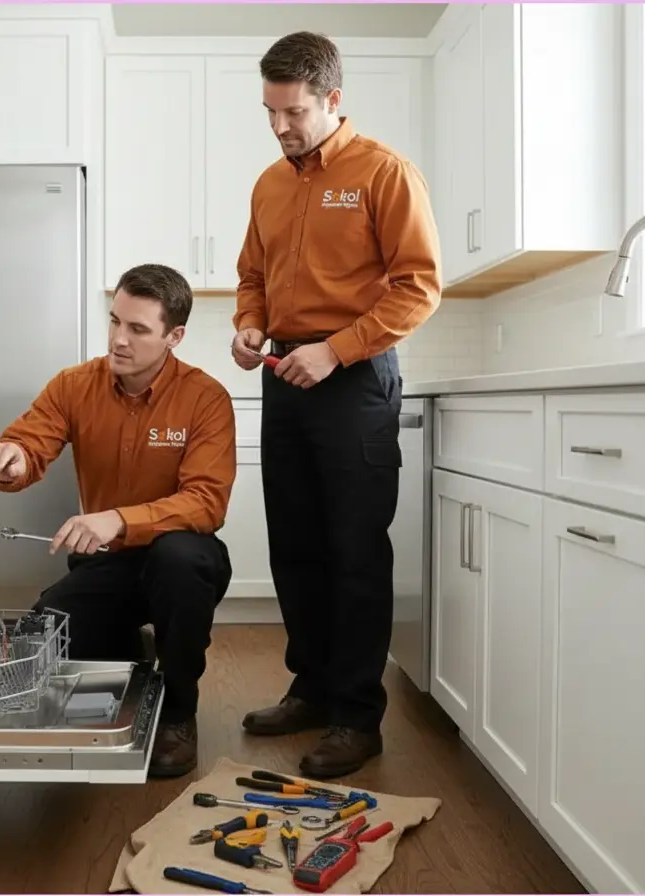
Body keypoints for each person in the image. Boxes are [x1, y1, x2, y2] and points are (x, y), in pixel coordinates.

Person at [230, 32, 442, 778]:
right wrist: (249, 327)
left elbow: (418, 286)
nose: (281, 126)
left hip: (352, 378)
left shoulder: (383, 173)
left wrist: (335, 349)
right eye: (270, 111)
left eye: (293, 111)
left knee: (354, 551)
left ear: (332, 99)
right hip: (283, 373)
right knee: (295, 544)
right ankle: (313, 687)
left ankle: (358, 717)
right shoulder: (268, 184)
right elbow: (251, 275)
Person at [0, 262, 236, 778]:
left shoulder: (206, 399)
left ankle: (179, 713)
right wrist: (10, 459)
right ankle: (132, 650)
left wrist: (119, 519)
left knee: (180, 557)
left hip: (182, 561)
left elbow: (207, 501)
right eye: (115, 321)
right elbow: (31, 441)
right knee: (46, 634)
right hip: (105, 565)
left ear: (174, 336)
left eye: (138, 329)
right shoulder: (75, 385)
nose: (119, 339)